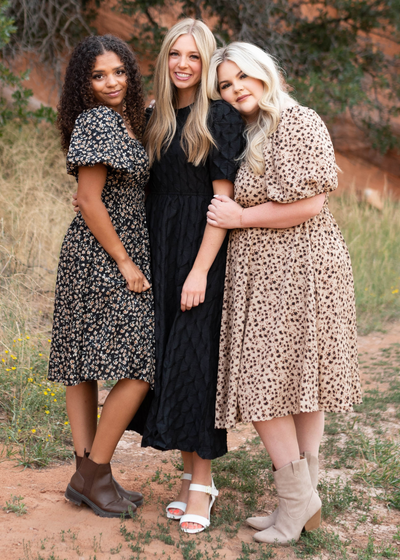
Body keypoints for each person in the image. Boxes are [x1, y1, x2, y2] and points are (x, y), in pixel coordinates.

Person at [206, 42, 362, 544]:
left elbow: (310, 204)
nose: (236, 90)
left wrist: (240, 217)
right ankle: (302, 502)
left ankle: (297, 503)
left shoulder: (299, 121)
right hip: (263, 266)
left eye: (242, 78)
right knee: (294, 378)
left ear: (265, 72)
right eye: (226, 85)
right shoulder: (253, 128)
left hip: (300, 264)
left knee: (265, 380)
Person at [137, 19, 244, 534]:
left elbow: (223, 201)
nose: (183, 64)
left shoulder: (218, 116)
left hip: (200, 251)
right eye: (175, 54)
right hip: (159, 247)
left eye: (195, 57)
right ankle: (188, 477)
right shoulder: (155, 115)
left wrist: (200, 270)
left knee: (194, 364)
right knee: (168, 362)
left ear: (206, 64)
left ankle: (202, 484)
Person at [48, 35, 155, 518]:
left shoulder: (129, 120)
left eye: (118, 72)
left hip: (113, 250)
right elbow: (89, 199)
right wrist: (126, 262)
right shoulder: (95, 121)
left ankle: (88, 477)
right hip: (101, 255)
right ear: (83, 83)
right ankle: (95, 474)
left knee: (86, 360)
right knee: (139, 362)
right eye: (98, 75)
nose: (111, 82)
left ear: (130, 72)